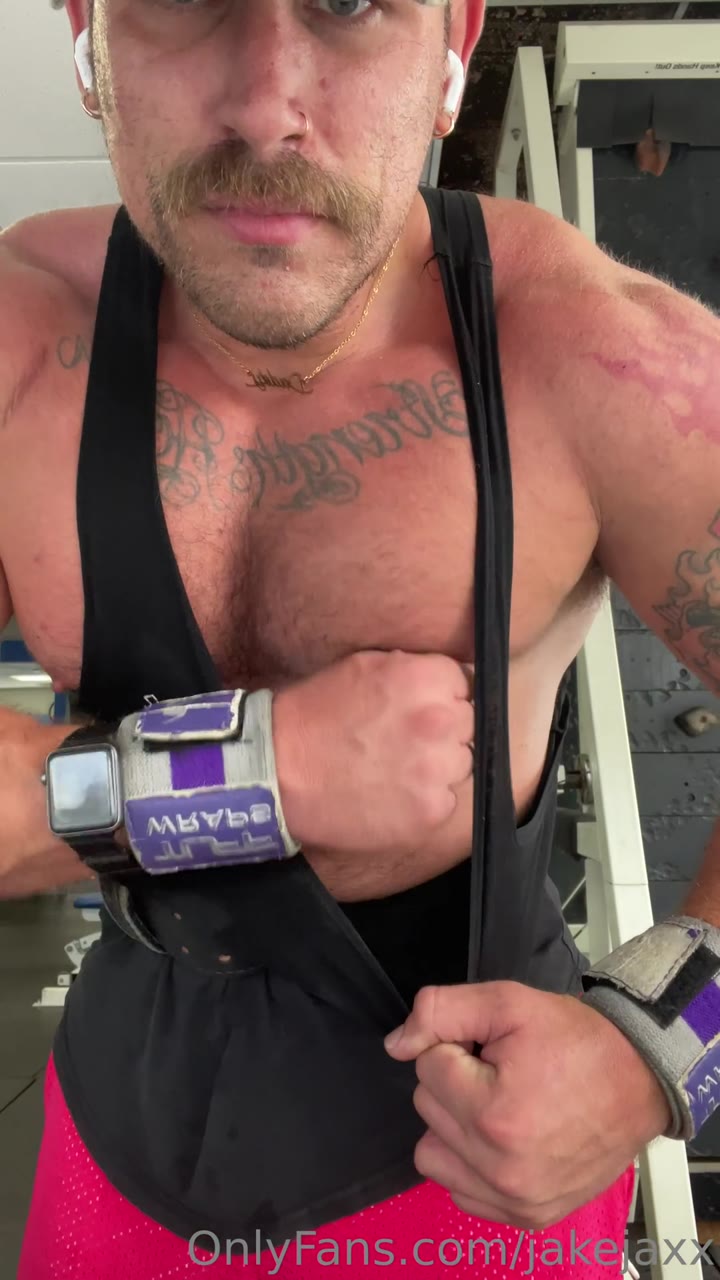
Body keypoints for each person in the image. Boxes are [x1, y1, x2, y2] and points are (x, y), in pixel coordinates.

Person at [1, 0, 718, 1275]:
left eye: (348, 4)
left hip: (474, 1174)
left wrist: (661, 1049)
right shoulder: (18, 339)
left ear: (453, 45)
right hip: (117, 1138)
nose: (265, 103)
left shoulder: (600, 359)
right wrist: (269, 769)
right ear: (88, 39)